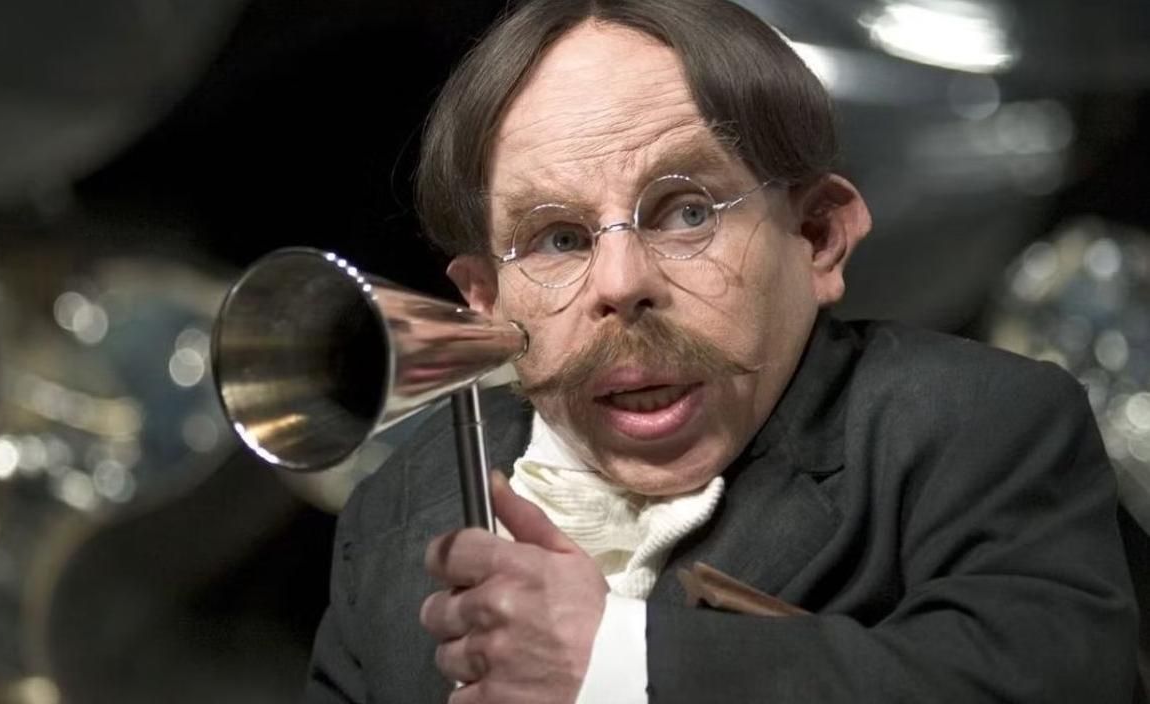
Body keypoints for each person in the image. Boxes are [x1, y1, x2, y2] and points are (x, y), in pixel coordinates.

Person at [302, 0, 1141, 701]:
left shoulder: (981, 424)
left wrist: (616, 663)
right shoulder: (397, 510)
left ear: (817, 238)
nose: (621, 284)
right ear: (484, 300)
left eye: (687, 212)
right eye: (557, 238)